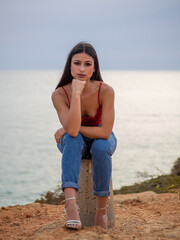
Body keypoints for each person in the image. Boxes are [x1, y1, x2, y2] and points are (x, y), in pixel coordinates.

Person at [52, 41, 117, 230]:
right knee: (72, 139)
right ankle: (71, 205)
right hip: (75, 142)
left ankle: (101, 213)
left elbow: (104, 132)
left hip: (101, 137)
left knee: (101, 146)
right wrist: (76, 95)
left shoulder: (106, 91)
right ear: (69, 66)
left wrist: (68, 128)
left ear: (94, 68)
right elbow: (72, 133)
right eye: (77, 63)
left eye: (87, 64)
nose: (82, 68)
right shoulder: (59, 94)